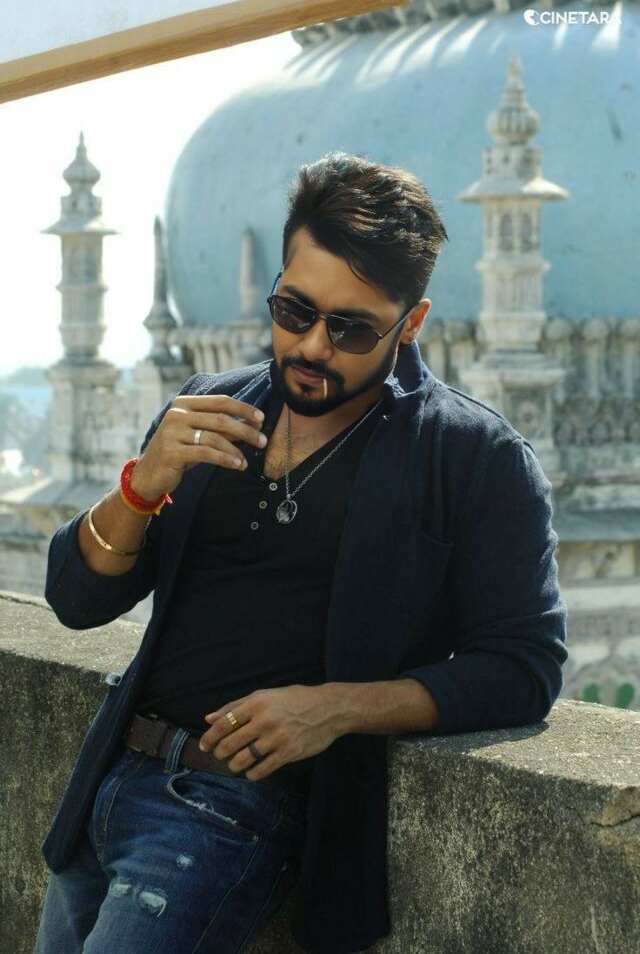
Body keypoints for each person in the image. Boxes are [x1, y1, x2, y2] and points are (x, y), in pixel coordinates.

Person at [34, 151, 568, 954]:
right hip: (107, 789)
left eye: (351, 327)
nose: (313, 345)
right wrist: (142, 487)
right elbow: (76, 601)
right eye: (294, 310)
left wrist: (335, 707)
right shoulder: (209, 410)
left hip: (224, 819)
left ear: (411, 323)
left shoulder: (470, 457)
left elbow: (524, 668)